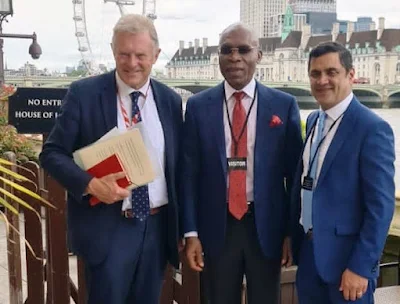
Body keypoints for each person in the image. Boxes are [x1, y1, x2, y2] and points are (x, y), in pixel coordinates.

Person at [40, 14, 182, 304]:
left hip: (155, 228)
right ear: (113, 51)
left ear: (156, 54)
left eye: (140, 55)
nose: (132, 63)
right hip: (108, 228)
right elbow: (51, 154)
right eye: (123, 54)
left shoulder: (170, 100)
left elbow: (178, 166)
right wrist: (90, 183)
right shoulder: (84, 94)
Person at [180, 22, 303, 304]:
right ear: (219, 56)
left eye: (243, 50)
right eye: (226, 50)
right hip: (216, 226)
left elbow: (294, 176)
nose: (234, 57)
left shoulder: (283, 105)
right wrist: (191, 232)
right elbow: (188, 175)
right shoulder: (199, 106)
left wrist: (289, 232)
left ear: (258, 55)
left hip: (267, 227)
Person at [290, 41, 395, 303]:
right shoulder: (314, 120)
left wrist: (360, 267)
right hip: (310, 256)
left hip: (348, 266)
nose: (322, 80)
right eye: (315, 74)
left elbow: (380, 207)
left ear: (351, 75)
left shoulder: (372, 129)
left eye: (331, 72)